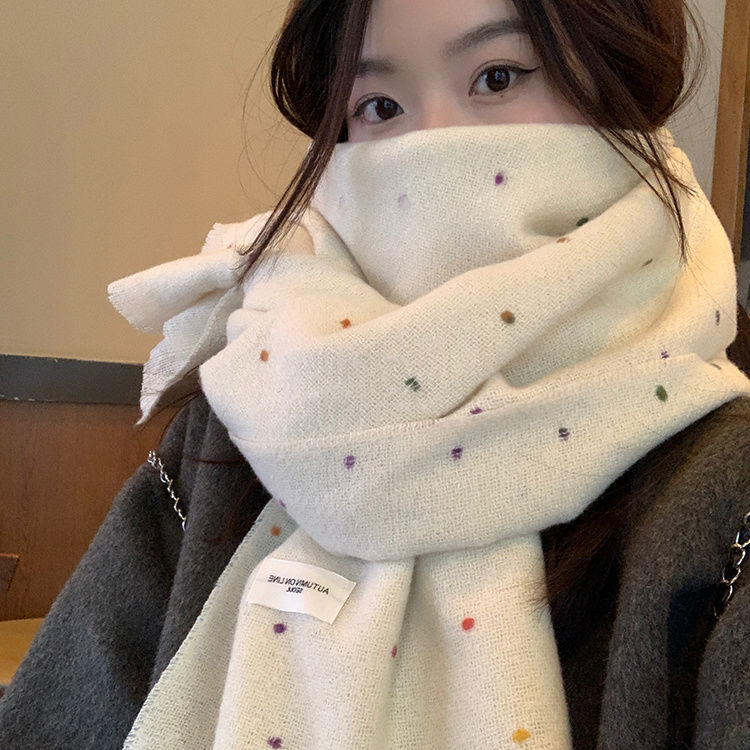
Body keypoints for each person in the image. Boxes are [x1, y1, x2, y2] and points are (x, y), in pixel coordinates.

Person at [1, 1, 749, 748]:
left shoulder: (724, 489)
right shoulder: (242, 423)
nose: (434, 143)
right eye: (380, 106)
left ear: (622, 87)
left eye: (498, 77)